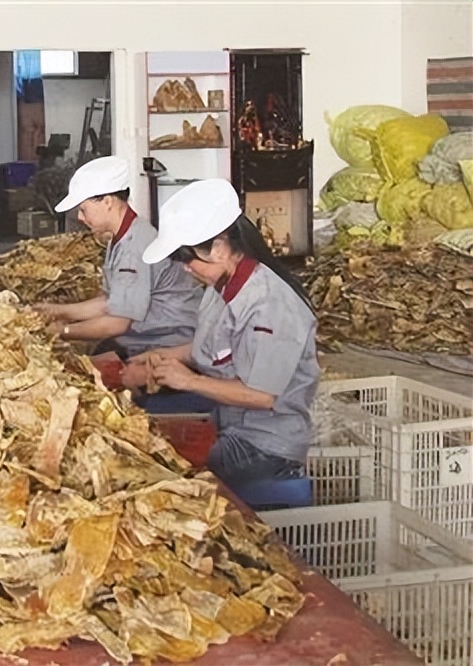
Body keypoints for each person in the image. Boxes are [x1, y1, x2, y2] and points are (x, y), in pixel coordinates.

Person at [131, 178, 320, 493]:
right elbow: (210, 346)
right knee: (144, 443)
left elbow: (262, 395)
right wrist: (159, 359)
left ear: (218, 248)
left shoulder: (269, 304)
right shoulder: (220, 287)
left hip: (265, 445)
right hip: (232, 425)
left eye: (185, 258)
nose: (185, 268)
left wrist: (187, 381)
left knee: (164, 477)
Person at [35, 155, 202, 366]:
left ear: (107, 201)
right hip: (147, 338)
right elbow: (111, 303)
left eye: (83, 209)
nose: (79, 217)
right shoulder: (123, 236)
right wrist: (57, 311)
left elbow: (117, 322)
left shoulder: (135, 245)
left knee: (79, 371)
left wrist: (63, 331)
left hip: (168, 344)